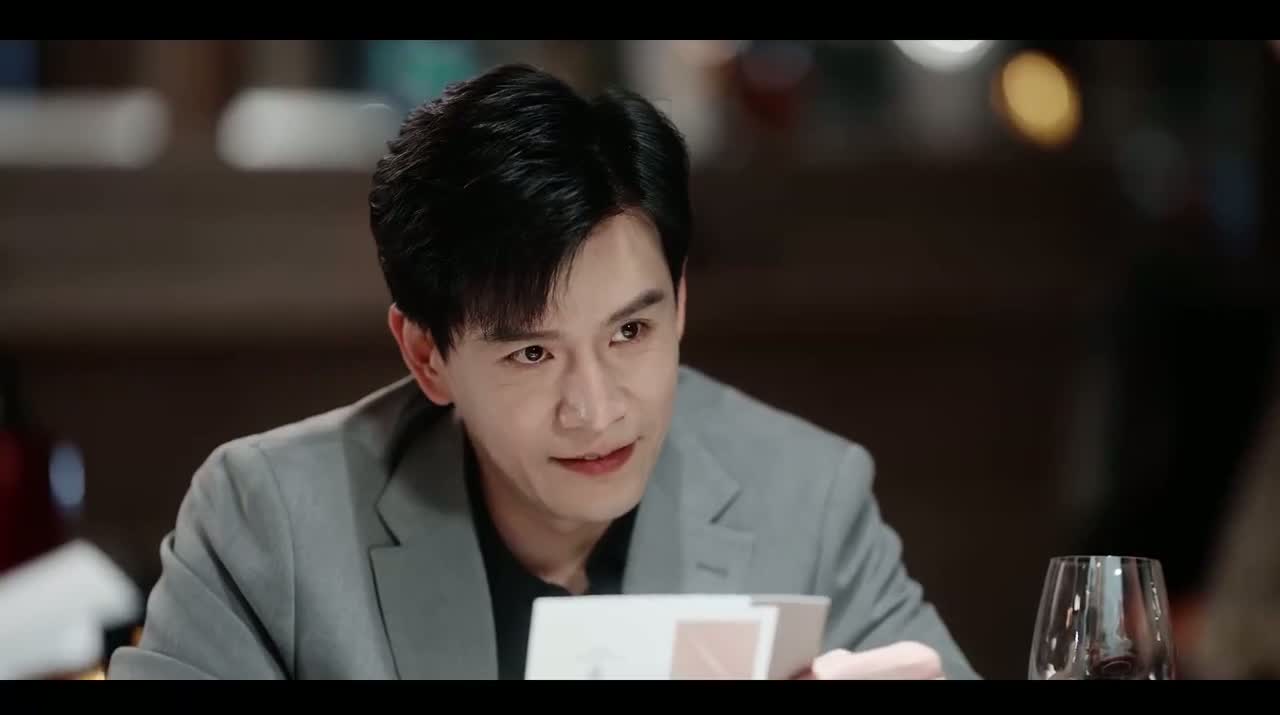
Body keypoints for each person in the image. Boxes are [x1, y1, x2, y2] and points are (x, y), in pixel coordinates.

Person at [107, 63, 976, 680]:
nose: (595, 409)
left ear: (679, 303)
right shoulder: (271, 524)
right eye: (531, 352)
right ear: (427, 355)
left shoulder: (808, 500)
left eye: (631, 330)